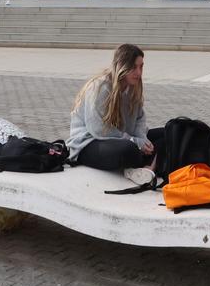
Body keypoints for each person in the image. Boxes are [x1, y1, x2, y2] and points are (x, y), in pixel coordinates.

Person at [67, 43, 164, 185]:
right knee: (128, 150)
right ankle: (150, 161)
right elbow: (99, 130)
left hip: (124, 139)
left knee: (169, 132)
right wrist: (136, 142)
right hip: (89, 143)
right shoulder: (99, 87)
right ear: (122, 66)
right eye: (134, 67)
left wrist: (141, 138)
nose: (139, 72)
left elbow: (140, 118)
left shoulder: (133, 86)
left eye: (141, 66)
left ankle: (147, 167)